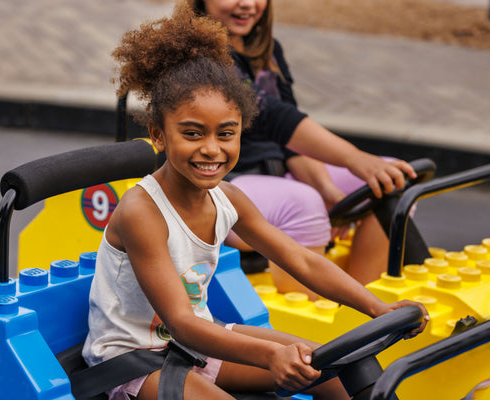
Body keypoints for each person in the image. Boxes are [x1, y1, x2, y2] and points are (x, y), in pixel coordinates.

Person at [81, 5, 428, 399]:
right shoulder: (141, 212)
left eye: (226, 134)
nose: (212, 149)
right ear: (159, 135)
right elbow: (180, 320)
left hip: (196, 343)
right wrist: (270, 356)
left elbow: (301, 260)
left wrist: (377, 308)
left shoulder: (228, 198)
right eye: (193, 134)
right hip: (134, 360)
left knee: (334, 369)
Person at [188, 0, 418, 298]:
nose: (247, 4)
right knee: (302, 202)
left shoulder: (267, 51)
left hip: (274, 178)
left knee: (391, 177)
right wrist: (353, 157)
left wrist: (327, 189)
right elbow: (273, 117)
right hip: (217, 184)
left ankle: (364, 303)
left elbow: (291, 142)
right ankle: (311, 311)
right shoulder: (201, 56)